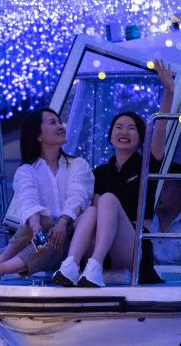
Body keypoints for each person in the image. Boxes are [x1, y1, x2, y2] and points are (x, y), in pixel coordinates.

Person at [52, 60, 174, 287]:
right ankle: (71, 265)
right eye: (119, 127)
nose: (124, 132)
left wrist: (168, 90)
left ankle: (94, 266)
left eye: (131, 128)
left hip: (132, 246)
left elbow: (160, 128)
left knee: (107, 199)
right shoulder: (100, 172)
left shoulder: (147, 164)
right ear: (110, 137)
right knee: (91, 210)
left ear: (141, 139)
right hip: (101, 243)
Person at [0, 109, 93, 285]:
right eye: (53, 122)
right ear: (38, 135)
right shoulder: (26, 171)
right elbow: (28, 199)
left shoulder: (78, 165)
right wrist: (36, 227)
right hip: (46, 239)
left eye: (60, 122)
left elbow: (78, 197)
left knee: (50, 232)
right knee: (38, 224)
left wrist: (62, 222)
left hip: (73, 242)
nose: (61, 126)